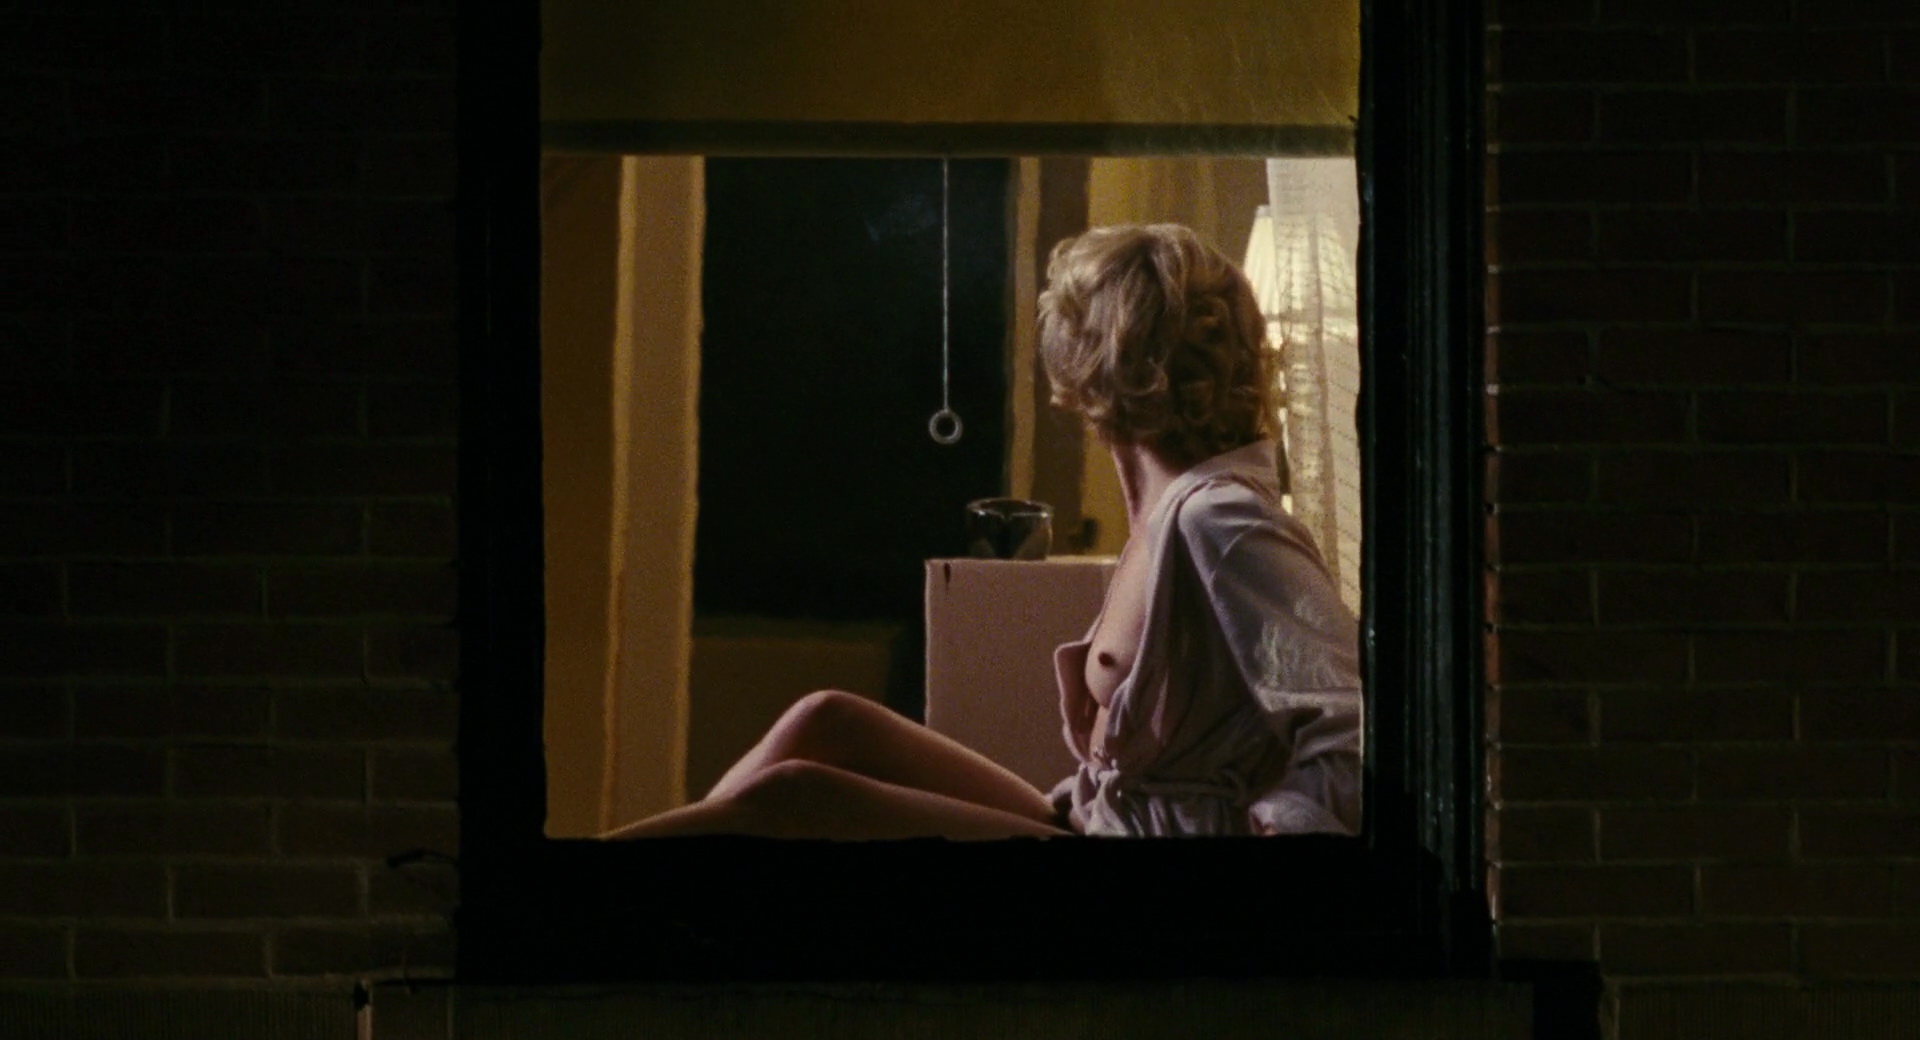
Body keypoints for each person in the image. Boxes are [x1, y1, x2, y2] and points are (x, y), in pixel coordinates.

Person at [604, 223, 1361, 841]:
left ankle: (570, 910)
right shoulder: (1169, 509)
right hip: (1093, 814)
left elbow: (1349, 721)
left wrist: (1277, 847)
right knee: (825, 719)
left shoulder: (1220, 519)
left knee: (799, 796)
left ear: (1097, 357)